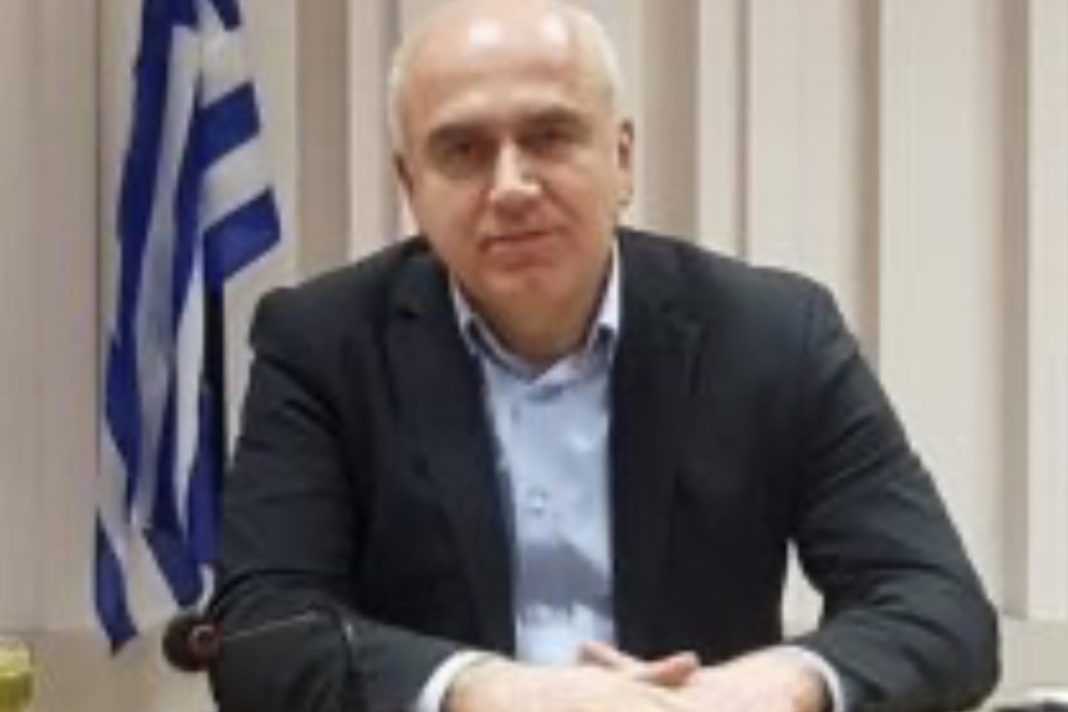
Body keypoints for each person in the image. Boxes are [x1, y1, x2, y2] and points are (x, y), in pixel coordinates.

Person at [208, 1, 999, 710]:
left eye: (549, 137)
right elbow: (261, 634)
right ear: (410, 185)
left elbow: (939, 608)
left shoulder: (773, 333)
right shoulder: (323, 344)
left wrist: (762, 690)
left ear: (622, 159)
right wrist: (493, 692)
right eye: (463, 150)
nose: (511, 186)